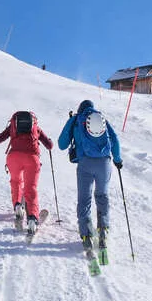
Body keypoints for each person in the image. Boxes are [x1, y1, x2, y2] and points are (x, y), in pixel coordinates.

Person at [58, 99, 122, 251]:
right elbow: (114, 140)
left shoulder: (76, 119)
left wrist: (72, 127)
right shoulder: (101, 118)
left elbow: (61, 144)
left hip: (85, 163)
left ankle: (86, 235)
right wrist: (118, 160)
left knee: (84, 199)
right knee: (102, 196)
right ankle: (103, 230)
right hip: (104, 163)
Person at [0, 111, 53, 234]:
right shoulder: (36, 127)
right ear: (32, 120)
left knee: (15, 181)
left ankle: (17, 206)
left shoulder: (12, 126)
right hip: (32, 159)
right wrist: (49, 141)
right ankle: (32, 219)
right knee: (30, 188)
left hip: (13, 157)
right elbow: (49, 146)